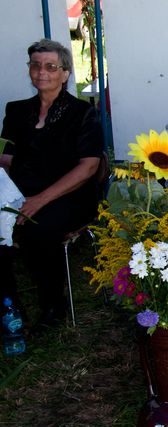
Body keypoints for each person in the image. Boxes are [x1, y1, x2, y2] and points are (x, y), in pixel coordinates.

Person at [0, 39, 103, 329]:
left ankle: (52, 306)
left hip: (71, 195)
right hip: (22, 193)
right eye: (35, 65)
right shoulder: (16, 111)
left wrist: (39, 200)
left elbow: (89, 167)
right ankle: (9, 308)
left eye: (50, 66)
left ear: (65, 73)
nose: (41, 72)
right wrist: (11, 197)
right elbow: (5, 158)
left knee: (38, 229)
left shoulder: (83, 113)